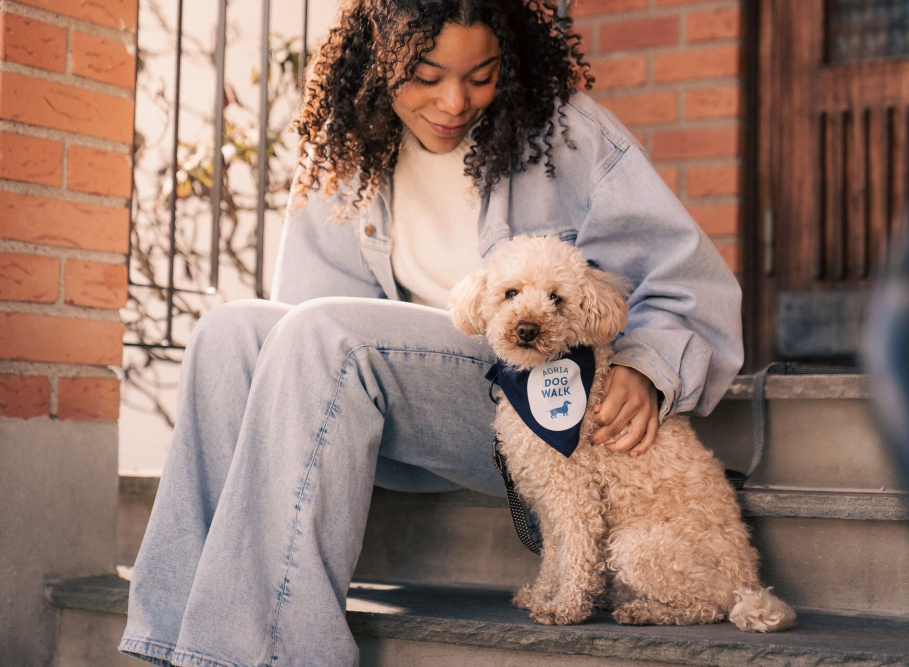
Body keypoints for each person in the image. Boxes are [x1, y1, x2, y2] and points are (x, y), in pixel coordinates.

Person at [119, 1, 743, 665]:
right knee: (227, 332)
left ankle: (269, 655)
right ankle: (168, 641)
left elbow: (691, 282)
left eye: (481, 76)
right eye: (425, 76)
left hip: (542, 416)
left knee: (326, 334)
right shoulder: (347, 150)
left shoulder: (568, 134)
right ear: (378, 61)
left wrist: (647, 366)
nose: (454, 101)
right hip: (400, 419)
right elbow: (295, 336)